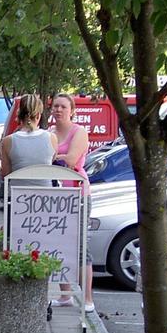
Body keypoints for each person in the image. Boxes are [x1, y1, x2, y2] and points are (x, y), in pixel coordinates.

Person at [50, 93, 95, 311]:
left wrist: (54, 157)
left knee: (81, 246)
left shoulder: (79, 132)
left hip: (78, 194)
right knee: (59, 244)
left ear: (72, 110)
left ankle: (87, 299)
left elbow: (71, 160)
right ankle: (65, 294)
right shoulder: (49, 133)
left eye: (62, 107)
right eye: (55, 106)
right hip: (55, 195)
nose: (58, 110)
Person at [0, 94, 58, 185]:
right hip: (45, 195)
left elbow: (5, 173)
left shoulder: (8, 141)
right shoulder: (52, 138)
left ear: (19, 115)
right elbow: (52, 161)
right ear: (38, 115)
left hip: (18, 195)